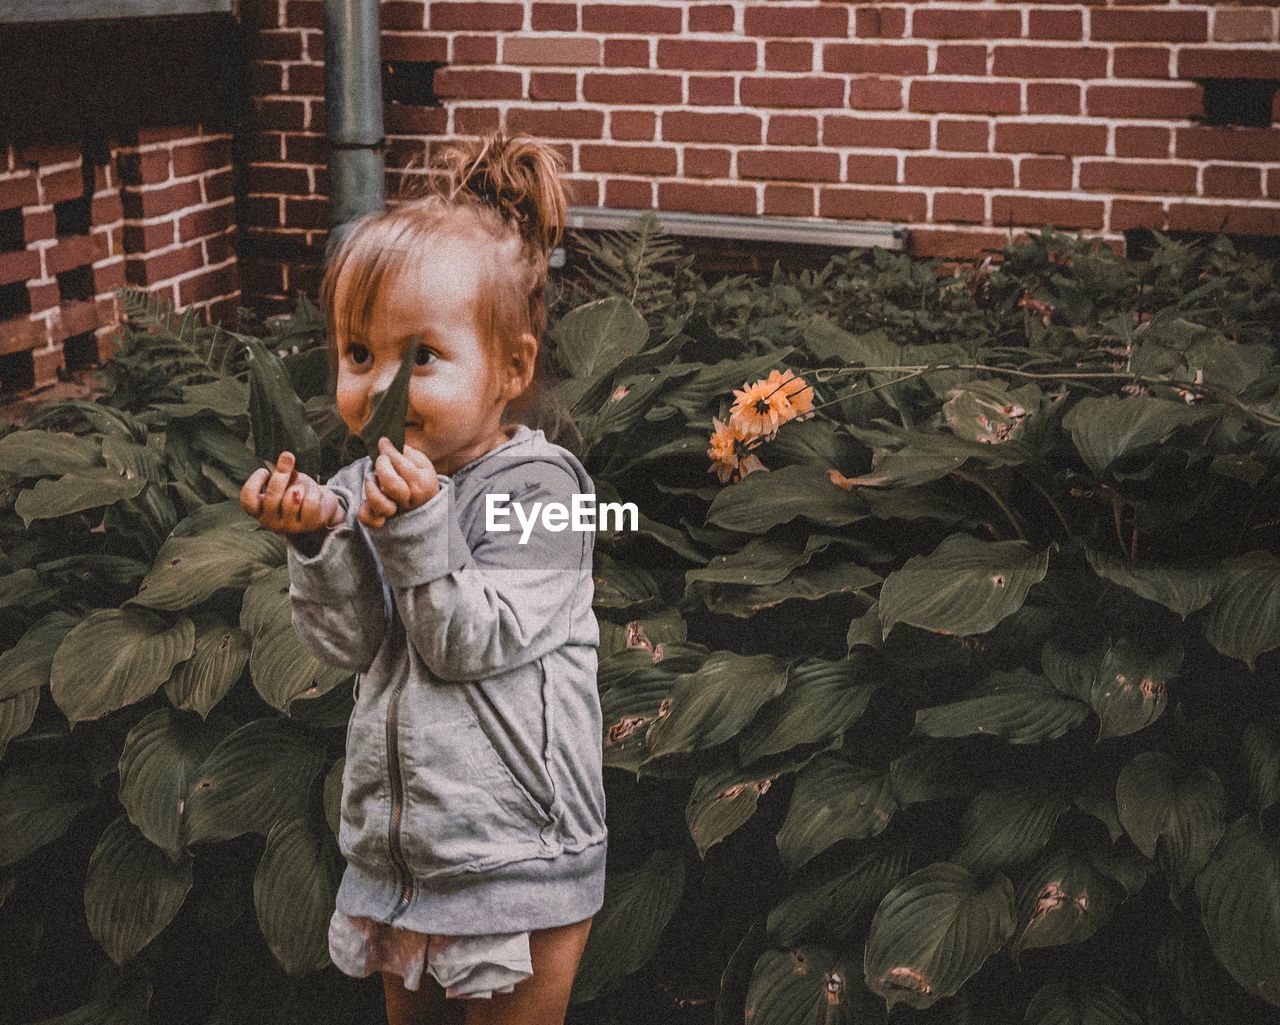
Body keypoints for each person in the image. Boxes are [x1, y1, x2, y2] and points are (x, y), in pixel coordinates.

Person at [239, 130, 606, 1025]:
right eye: (359, 353)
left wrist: (413, 527)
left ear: (512, 368)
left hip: (519, 857)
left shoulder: (548, 492)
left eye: (422, 357)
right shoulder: (362, 487)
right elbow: (347, 644)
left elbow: (468, 642)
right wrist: (317, 540)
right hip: (401, 858)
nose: (378, 386)